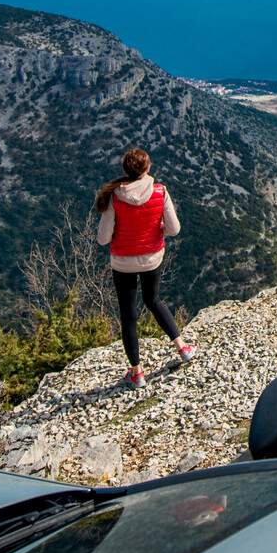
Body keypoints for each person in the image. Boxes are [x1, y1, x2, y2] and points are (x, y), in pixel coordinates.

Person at [95, 148, 195, 386]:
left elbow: (103, 238)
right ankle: (182, 349)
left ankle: (137, 373)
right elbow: (174, 229)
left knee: (128, 316)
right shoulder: (160, 191)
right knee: (153, 300)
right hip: (152, 258)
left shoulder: (114, 197)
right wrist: (158, 227)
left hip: (122, 262)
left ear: (125, 170)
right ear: (147, 168)